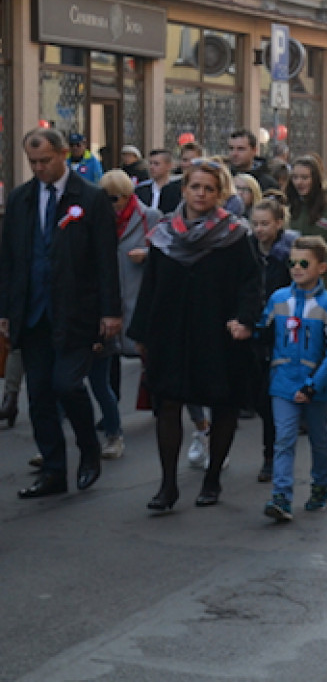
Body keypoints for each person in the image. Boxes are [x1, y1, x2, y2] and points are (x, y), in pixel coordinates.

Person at [128, 161, 261, 511]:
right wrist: (140, 331)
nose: (201, 194)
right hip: (169, 331)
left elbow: (251, 282)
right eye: (195, 187)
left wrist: (245, 320)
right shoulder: (163, 233)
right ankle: (167, 485)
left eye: (209, 188)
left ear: (220, 194)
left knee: (222, 404)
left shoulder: (235, 234)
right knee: (167, 404)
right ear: (184, 189)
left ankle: (213, 477)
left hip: (218, 333)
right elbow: (150, 285)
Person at [0, 128, 122, 498]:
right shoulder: (21, 199)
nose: (39, 168)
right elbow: (8, 260)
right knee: (38, 395)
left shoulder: (90, 198)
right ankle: (53, 471)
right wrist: (6, 310)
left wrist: (110, 311)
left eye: (45, 161)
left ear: (63, 154)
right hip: (32, 312)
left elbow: (105, 259)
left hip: (76, 311)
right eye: (33, 162)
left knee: (67, 384)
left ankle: (89, 451)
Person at [262, 235, 327, 521]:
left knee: (318, 439)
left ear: (322, 267)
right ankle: (281, 496)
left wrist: (312, 386)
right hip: (283, 382)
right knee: (283, 438)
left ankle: (321, 485)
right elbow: (263, 329)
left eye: (304, 263)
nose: (296, 268)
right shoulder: (278, 299)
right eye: (292, 263)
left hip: (316, 387)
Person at [96, 170, 161, 459]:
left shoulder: (150, 216)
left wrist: (147, 255)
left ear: (127, 196)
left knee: (147, 352)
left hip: (139, 295)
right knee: (107, 357)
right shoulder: (100, 219)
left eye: (115, 199)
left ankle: (160, 400)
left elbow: (165, 252)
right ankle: (112, 411)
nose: (111, 205)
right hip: (111, 297)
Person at [251, 198, 299, 482]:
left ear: (279, 224)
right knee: (257, 395)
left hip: (283, 330)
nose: (259, 230)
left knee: (273, 397)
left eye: (265, 224)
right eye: (255, 223)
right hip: (255, 328)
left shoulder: (288, 253)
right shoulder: (247, 249)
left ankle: (272, 454)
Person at [285, 155, 327, 306]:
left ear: (315, 179)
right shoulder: (289, 206)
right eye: (295, 177)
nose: (299, 182)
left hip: (324, 287)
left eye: (304, 177)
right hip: (294, 287)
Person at [135, 149, 182, 214]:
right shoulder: (141, 190)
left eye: (156, 164)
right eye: (150, 163)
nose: (151, 167)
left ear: (169, 166)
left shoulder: (178, 191)